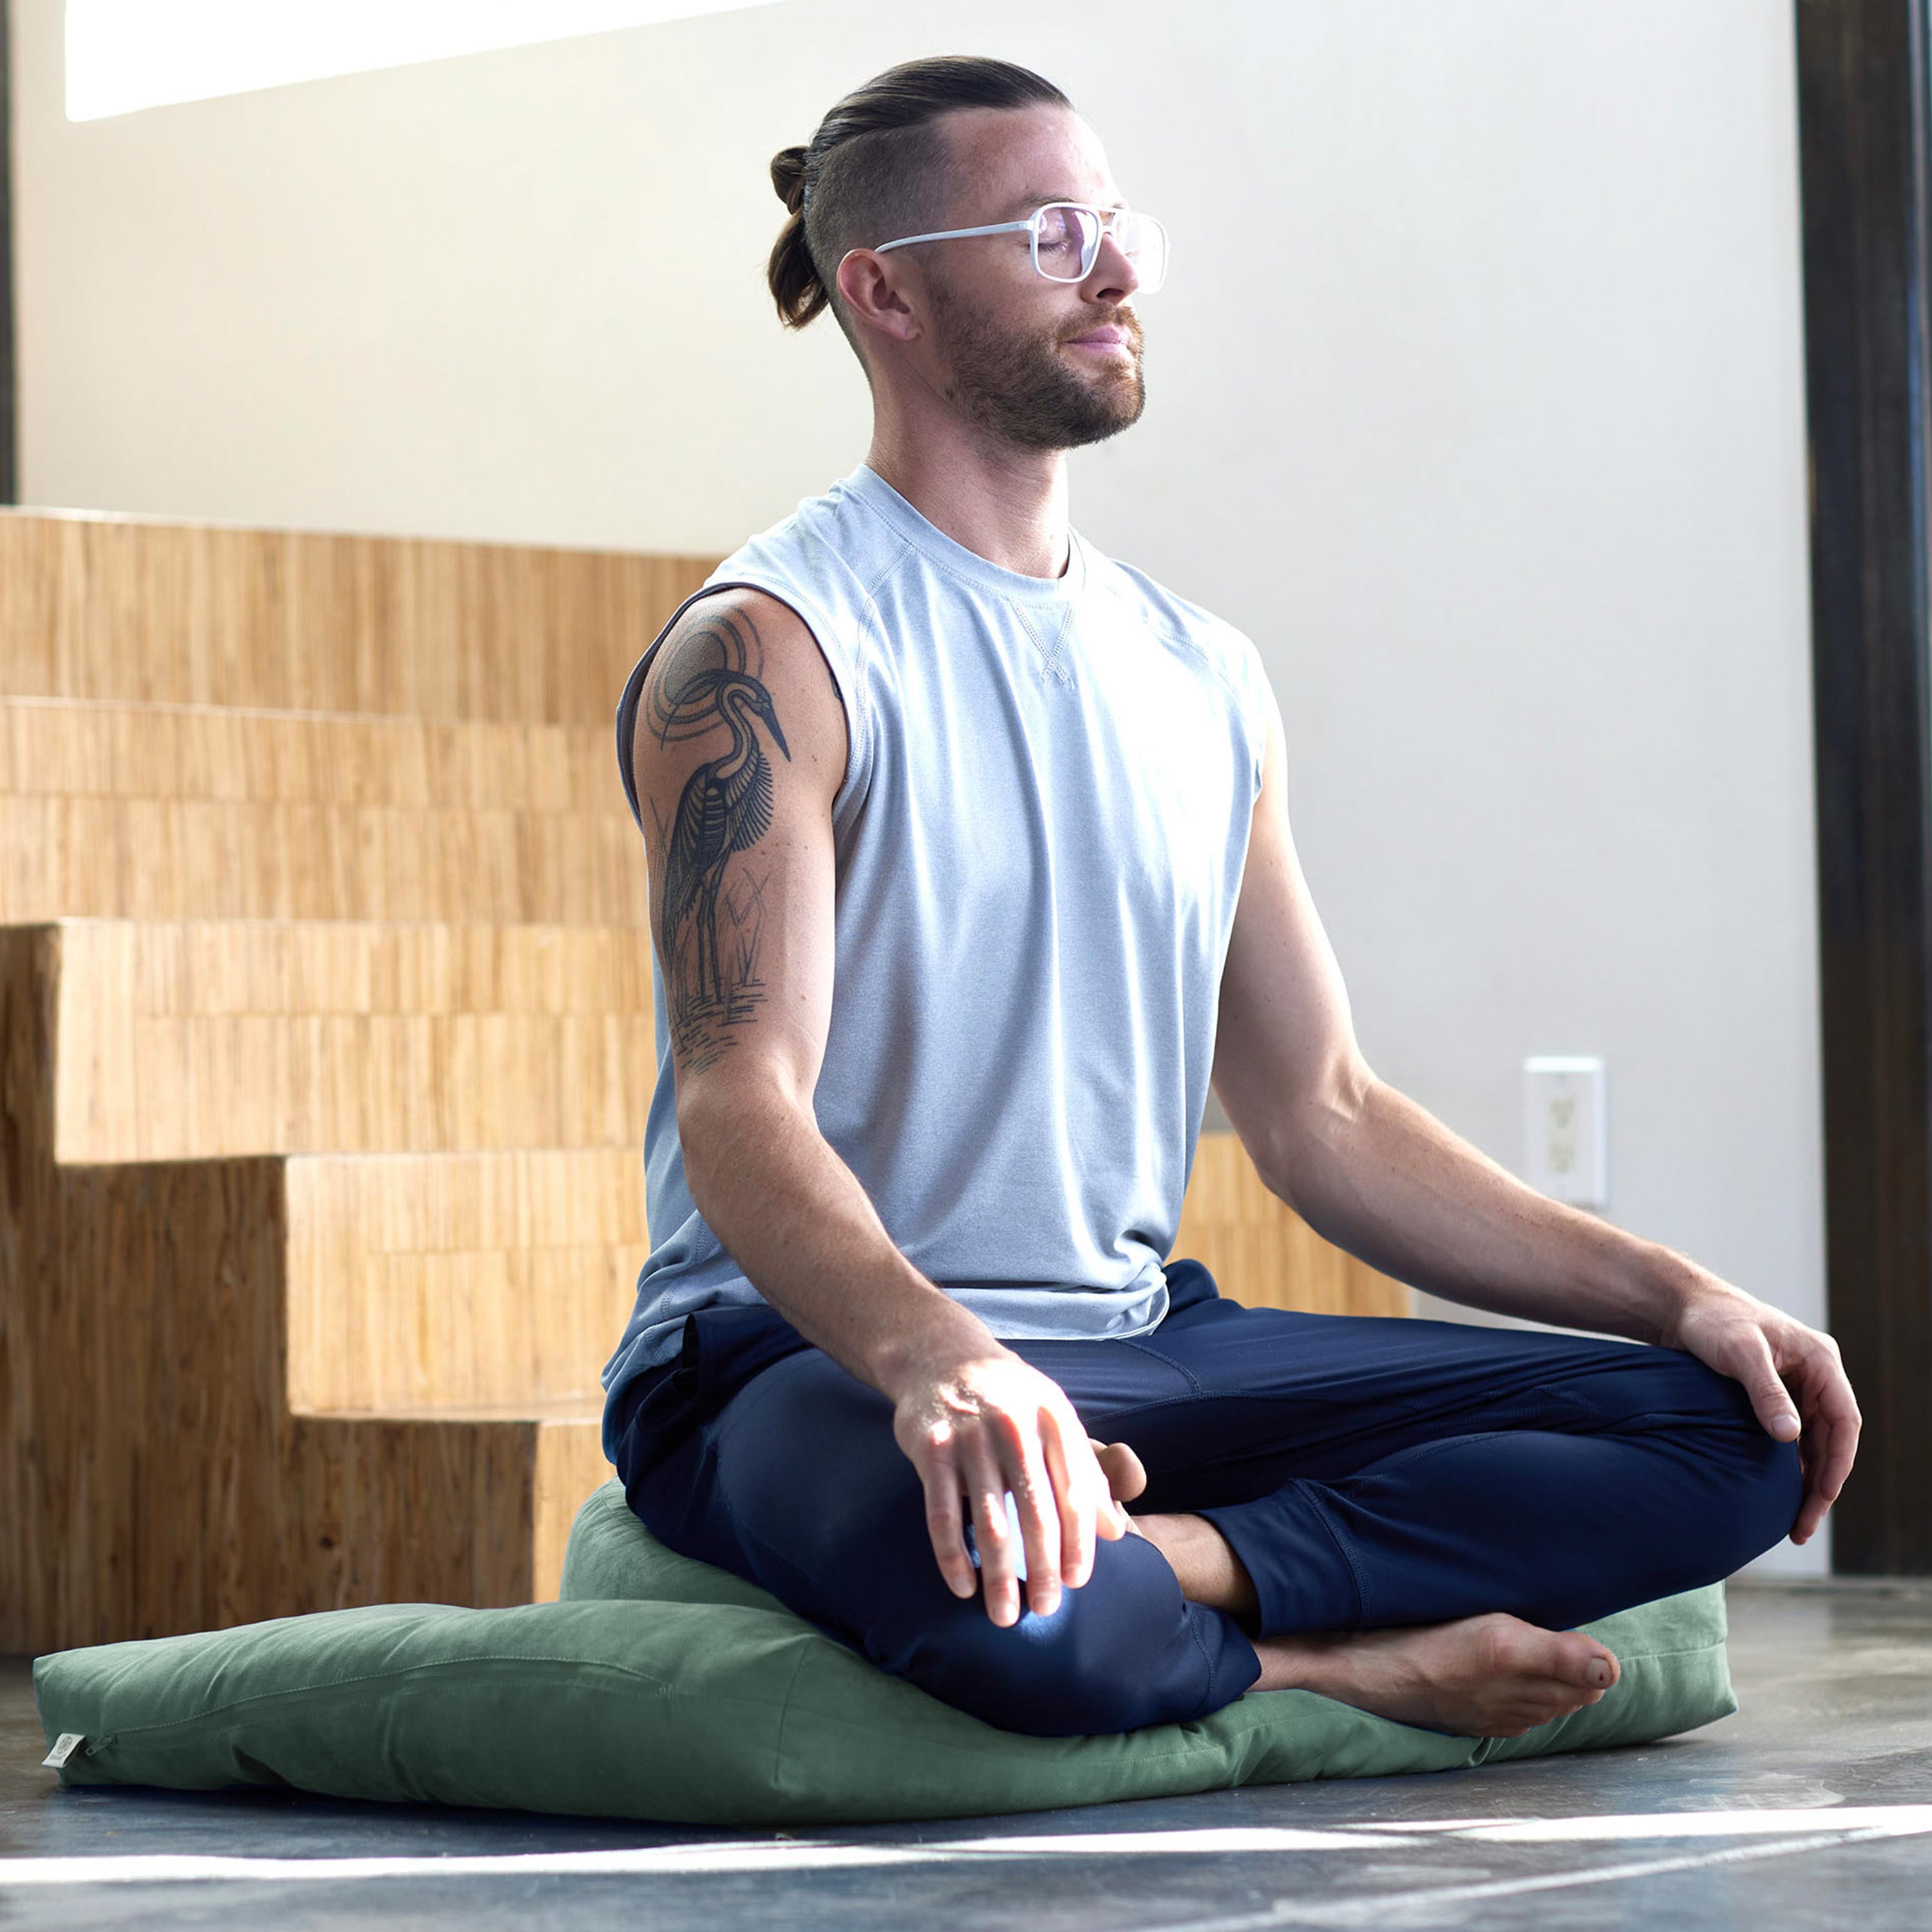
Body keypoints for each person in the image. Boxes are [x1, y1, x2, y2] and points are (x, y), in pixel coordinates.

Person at [599, 54, 1859, 1741]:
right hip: (797, 1355)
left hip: (1135, 1353)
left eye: (1119, 225)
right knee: (972, 1571)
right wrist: (933, 1358)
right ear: (882, 290)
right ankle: (1338, 1656)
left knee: (1733, 1431)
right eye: (1055, 232)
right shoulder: (765, 652)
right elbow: (739, 1096)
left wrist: (1675, 1289)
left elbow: (1322, 1114)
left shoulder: (1202, 675)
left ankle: (1169, 1567)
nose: (1117, 269)